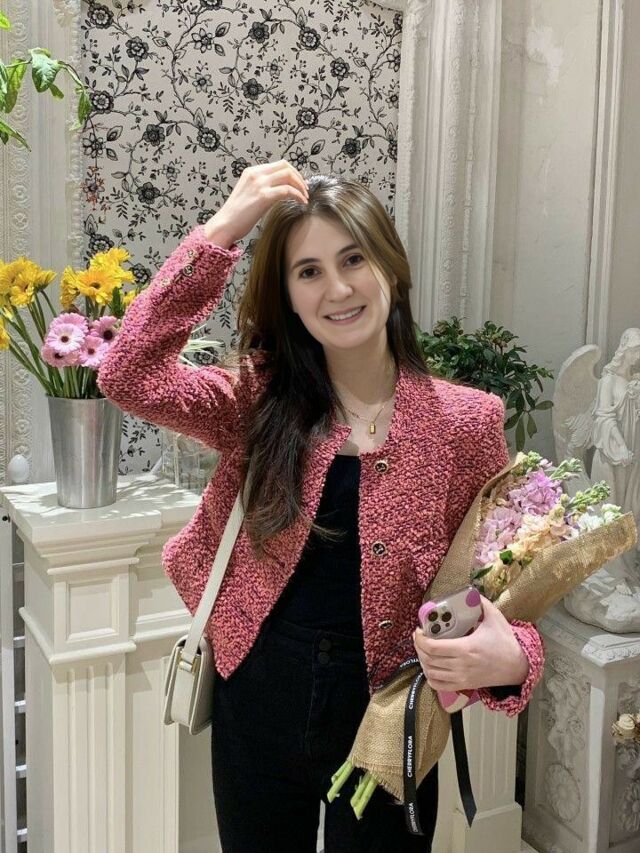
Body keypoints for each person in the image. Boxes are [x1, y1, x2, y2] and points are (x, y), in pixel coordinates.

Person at [97, 159, 543, 852]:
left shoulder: (466, 423)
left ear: (390, 266)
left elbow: (509, 586)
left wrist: (513, 658)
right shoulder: (257, 401)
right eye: (308, 271)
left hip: (389, 716)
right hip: (258, 697)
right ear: (290, 297)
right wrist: (222, 232)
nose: (337, 288)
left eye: (353, 258)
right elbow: (128, 373)